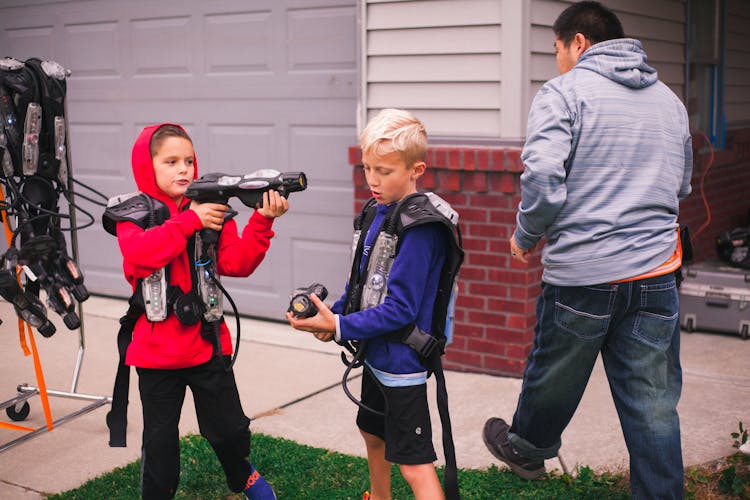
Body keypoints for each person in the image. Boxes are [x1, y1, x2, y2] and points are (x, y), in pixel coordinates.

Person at [481, 2, 692, 499]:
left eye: (556, 49)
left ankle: (528, 448)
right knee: (653, 401)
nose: (556, 61)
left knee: (555, 372)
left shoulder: (563, 93)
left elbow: (544, 179)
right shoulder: (670, 101)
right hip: (657, 272)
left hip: (584, 274)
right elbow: (680, 185)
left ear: (579, 43)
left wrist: (526, 235)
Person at [286, 108, 461, 500]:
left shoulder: (421, 231)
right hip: (375, 355)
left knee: (415, 465)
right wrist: (331, 319)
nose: (373, 180)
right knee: (372, 432)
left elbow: (399, 309)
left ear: (416, 169)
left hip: (401, 363)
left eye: (384, 171)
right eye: (367, 168)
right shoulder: (376, 212)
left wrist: (341, 327)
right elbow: (361, 284)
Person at [109, 123, 286, 499]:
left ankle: (243, 475)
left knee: (229, 429)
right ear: (147, 166)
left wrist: (262, 220)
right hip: (156, 356)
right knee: (159, 444)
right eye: (171, 161)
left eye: (189, 160)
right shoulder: (132, 214)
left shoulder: (211, 208)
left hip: (207, 345)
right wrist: (190, 220)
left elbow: (238, 263)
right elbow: (140, 257)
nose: (184, 169)